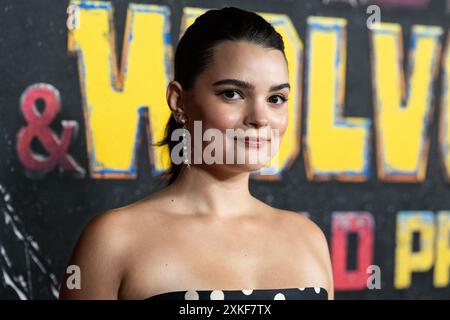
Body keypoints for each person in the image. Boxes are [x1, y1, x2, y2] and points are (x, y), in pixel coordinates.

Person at [58, 6, 334, 300]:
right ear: (178, 101)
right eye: (232, 93)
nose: (260, 118)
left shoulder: (308, 238)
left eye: (276, 98)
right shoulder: (113, 241)